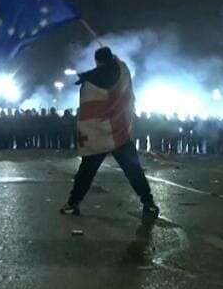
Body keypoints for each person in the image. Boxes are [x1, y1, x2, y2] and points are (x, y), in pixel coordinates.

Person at [60, 47, 160, 224]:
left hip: (98, 133)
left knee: (86, 171)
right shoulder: (122, 71)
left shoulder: (92, 77)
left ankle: (73, 203)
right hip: (119, 131)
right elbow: (115, 72)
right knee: (133, 170)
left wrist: (84, 76)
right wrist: (117, 60)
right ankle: (148, 202)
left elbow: (94, 80)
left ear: (98, 61)